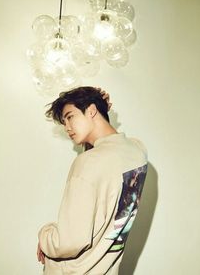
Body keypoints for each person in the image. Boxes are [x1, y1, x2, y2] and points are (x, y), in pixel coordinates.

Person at [37, 86, 148, 275]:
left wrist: (44, 235)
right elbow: (107, 158)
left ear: (91, 110)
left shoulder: (87, 163)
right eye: (64, 121)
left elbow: (69, 242)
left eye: (70, 116)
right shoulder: (138, 151)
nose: (67, 127)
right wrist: (101, 114)